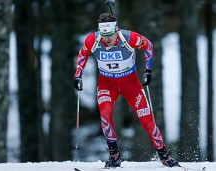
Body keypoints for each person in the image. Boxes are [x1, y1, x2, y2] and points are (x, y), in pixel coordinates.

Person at [73, 13, 178, 168]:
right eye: (104, 35)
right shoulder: (92, 40)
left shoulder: (129, 38)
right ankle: (114, 156)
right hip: (107, 84)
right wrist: (78, 76)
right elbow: (83, 54)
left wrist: (148, 70)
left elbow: (148, 45)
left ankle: (164, 155)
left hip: (130, 83)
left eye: (110, 35)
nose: (107, 39)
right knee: (105, 114)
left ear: (116, 30)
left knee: (147, 121)